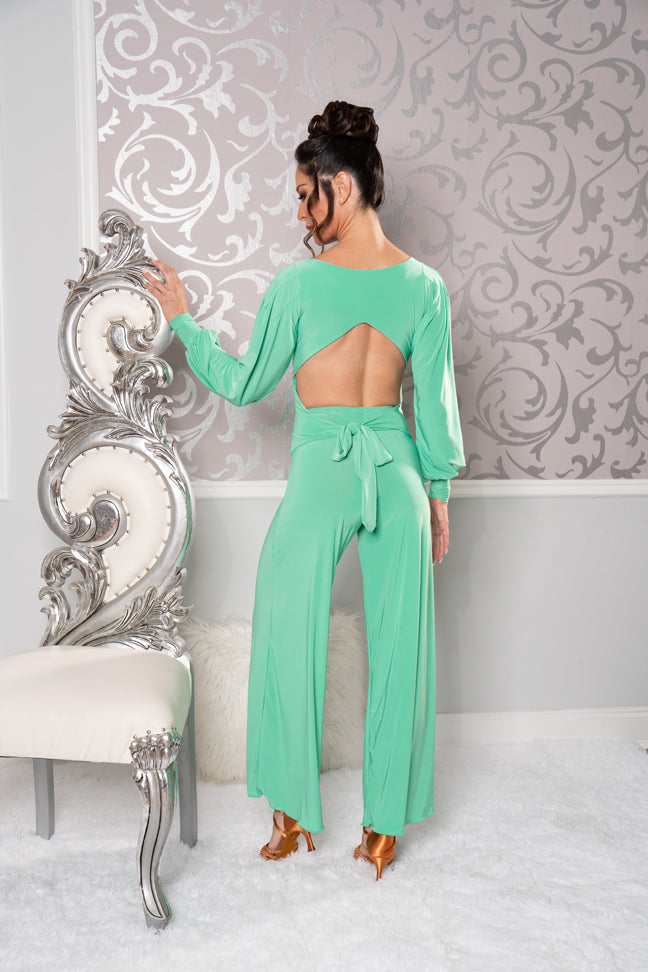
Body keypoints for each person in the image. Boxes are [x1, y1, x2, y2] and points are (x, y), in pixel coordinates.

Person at [144, 100, 464, 881]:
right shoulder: (425, 287)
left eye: (302, 194)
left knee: (288, 634)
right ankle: (383, 830)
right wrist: (438, 495)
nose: (298, 212)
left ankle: (291, 818)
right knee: (401, 649)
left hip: (325, 467)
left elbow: (245, 383)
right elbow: (435, 405)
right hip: (398, 470)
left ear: (340, 188)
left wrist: (184, 323)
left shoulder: (297, 284)